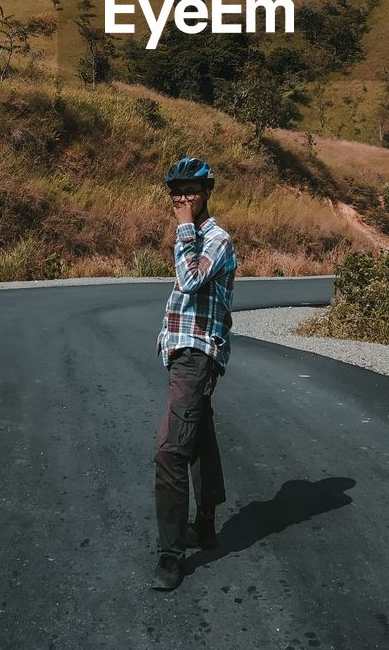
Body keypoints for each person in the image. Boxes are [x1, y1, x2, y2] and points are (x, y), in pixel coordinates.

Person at [151, 156, 237, 592]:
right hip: (183, 354)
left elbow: (188, 281)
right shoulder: (193, 238)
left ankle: (170, 554)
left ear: (207, 194)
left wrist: (184, 227)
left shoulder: (215, 240)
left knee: (171, 450)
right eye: (176, 194)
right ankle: (204, 525)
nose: (182, 200)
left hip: (198, 356)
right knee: (200, 438)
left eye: (190, 192)